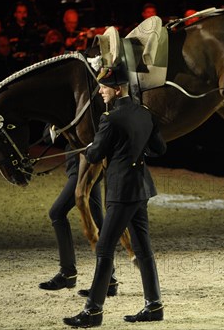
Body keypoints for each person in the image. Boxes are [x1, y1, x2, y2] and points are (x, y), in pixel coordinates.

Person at [63, 62, 167, 328]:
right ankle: (154, 305)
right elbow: (158, 149)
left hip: (121, 191)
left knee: (105, 248)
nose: (100, 91)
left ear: (119, 89)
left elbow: (95, 155)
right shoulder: (145, 114)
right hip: (140, 187)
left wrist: (94, 144)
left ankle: (93, 311)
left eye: (104, 87)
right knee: (143, 248)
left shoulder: (109, 119)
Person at [38, 141, 119, 298]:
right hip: (81, 167)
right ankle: (109, 279)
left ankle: (67, 272)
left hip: (83, 168)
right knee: (96, 219)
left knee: (57, 212)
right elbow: (48, 138)